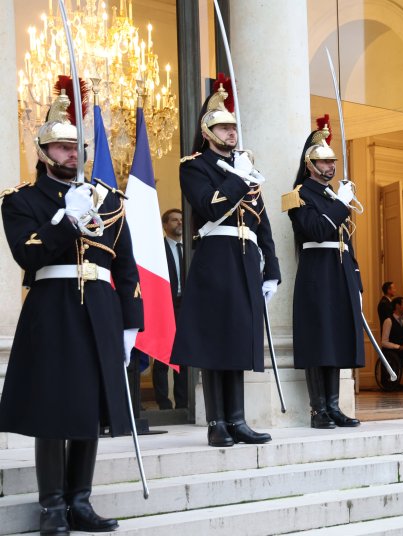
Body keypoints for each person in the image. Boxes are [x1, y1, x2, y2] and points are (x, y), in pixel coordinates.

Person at [0, 87, 143, 534]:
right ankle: (51, 506)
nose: (71, 153)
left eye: (76, 146)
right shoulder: (20, 199)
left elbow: (125, 263)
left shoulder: (108, 198)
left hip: (100, 309)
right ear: (43, 151)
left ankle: (80, 500)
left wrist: (130, 322)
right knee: (53, 407)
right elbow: (28, 254)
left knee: (88, 407)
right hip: (53, 308)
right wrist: (65, 218)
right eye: (61, 146)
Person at [170, 76, 280, 447]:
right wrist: (239, 177)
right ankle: (216, 421)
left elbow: (261, 223)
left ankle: (237, 419)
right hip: (215, 256)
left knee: (239, 341)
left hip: (246, 258)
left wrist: (273, 271)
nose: (231, 132)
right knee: (216, 341)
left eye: (233, 127)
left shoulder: (245, 168)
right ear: (207, 130)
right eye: (223, 126)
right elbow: (209, 205)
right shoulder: (195, 166)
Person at [285, 122, 363, 429]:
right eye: (324, 161)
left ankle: (334, 406)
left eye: (332, 161)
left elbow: (347, 240)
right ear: (310, 164)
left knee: (336, 339)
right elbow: (316, 230)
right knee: (319, 340)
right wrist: (342, 203)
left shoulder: (333, 195)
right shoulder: (299, 195)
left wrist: (356, 280)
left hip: (340, 270)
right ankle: (318, 410)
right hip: (317, 272)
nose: (330, 166)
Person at [153, 208, 189, 410]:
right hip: (164, 305)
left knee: (182, 355)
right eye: (174, 220)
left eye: (181, 220)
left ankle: (183, 403)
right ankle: (163, 403)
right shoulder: (158, 248)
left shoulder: (191, 248)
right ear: (165, 225)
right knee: (161, 356)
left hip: (185, 305)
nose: (179, 223)